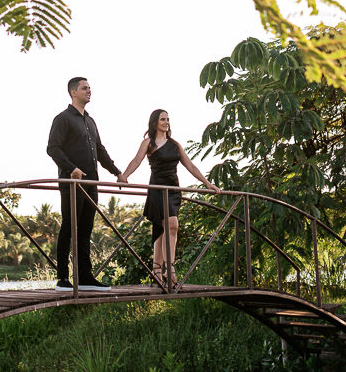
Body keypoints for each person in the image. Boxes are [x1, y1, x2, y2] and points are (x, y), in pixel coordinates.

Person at [119, 109, 219, 288]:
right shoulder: (148, 143)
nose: (166, 122)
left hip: (174, 190)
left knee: (162, 228)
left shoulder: (174, 144)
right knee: (172, 225)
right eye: (162, 119)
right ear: (154, 123)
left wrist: (208, 184)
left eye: (168, 119)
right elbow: (136, 161)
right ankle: (170, 269)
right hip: (158, 188)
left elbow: (190, 166)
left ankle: (157, 270)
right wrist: (124, 176)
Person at [46, 76, 124, 292]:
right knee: (69, 228)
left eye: (90, 88)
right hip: (72, 184)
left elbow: (100, 151)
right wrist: (71, 168)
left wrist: (117, 172)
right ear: (73, 92)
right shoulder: (62, 119)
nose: (89, 91)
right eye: (84, 88)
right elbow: (53, 148)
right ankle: (63, 279)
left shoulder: (90, 121)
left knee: (86, 229)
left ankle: (84, 277)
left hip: (91, 183)